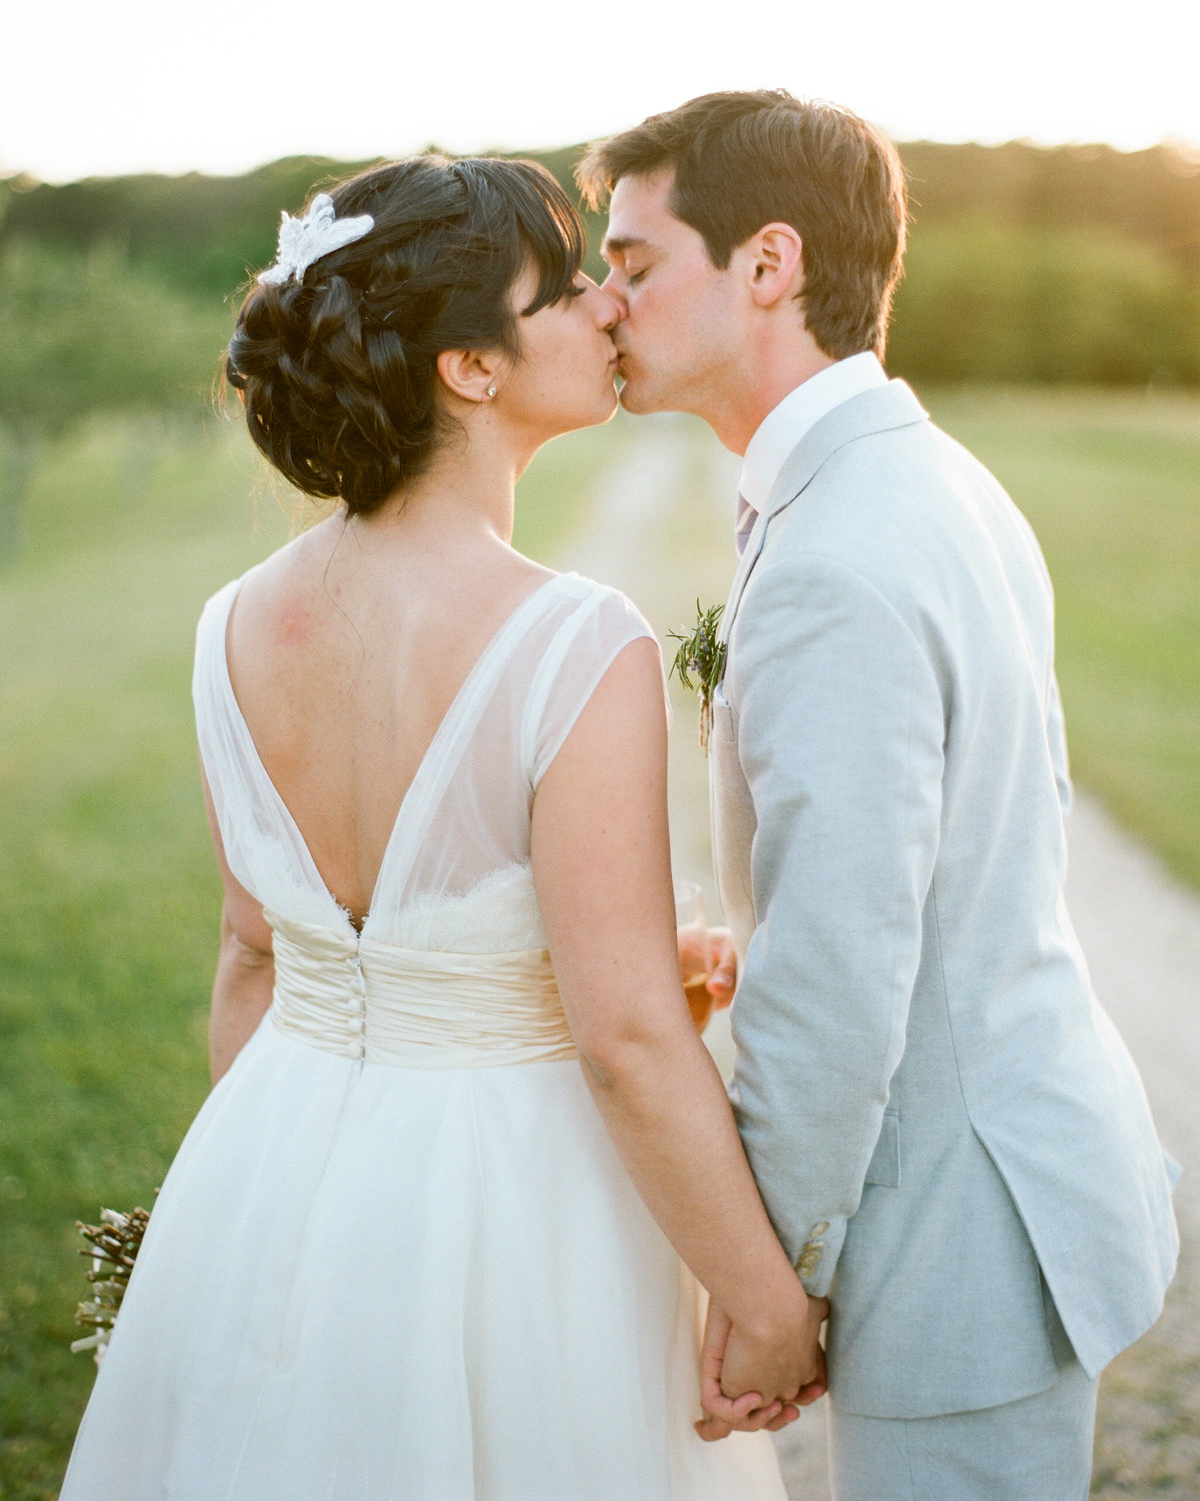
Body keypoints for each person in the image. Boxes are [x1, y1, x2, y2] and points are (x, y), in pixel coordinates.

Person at [59, 155, 825, 1499]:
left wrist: (280, 1206)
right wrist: (760, 1297)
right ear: (470, 367)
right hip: (514, 1206)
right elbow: (629, 1040)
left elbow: (256, 953)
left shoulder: (229, 626)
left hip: (269, 1169)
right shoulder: (575, 639)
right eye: (567, 287)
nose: (606, 309)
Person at [579, 90, 1181, 1500]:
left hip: (963, 1228)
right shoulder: (926, 476)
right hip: (1008, 1166)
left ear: (769, 265)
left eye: (636, 262)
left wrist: (765, 1283)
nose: (606, 304)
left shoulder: (844, 547)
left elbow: (842, 975)